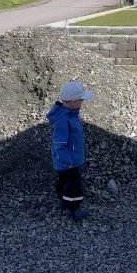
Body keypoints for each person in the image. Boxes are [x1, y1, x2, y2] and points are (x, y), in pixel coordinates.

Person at [47, 81, 95, 220]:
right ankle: (74, 209)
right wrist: (66, 161)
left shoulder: (71, 114)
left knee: (64, 181)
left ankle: (63, 201)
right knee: (74, 185)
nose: (82, 102)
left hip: (67, 160)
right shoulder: (64, 120)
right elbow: (59, 144)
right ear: (74, 102)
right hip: (68, 161)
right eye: (81, 100)